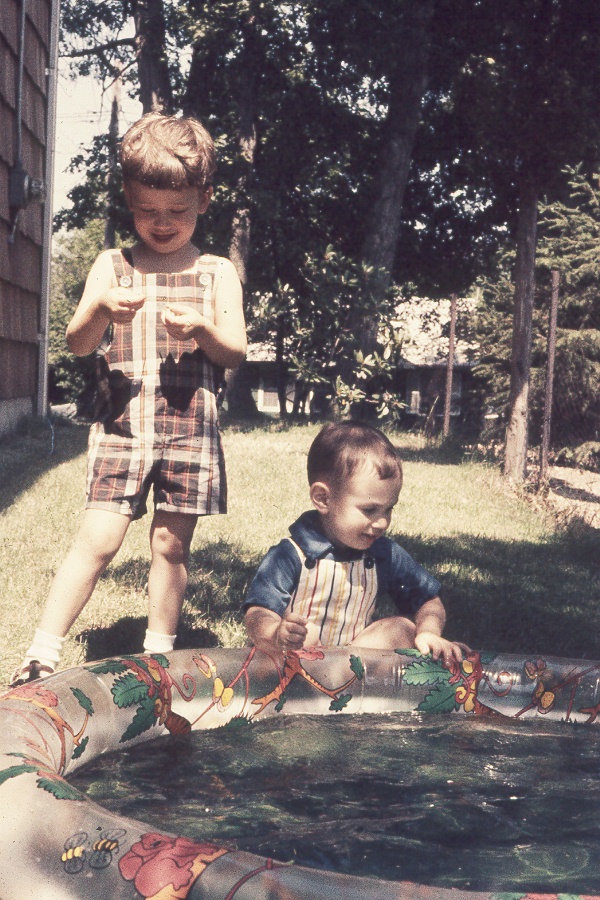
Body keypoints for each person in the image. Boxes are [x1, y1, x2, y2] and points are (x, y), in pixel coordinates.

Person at [11, 113, 246, 686]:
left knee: (170, 544)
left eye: (177, 211)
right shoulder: (113, 266)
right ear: (128, 199)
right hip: (122, 427)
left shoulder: (216, 273)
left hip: (190, 430)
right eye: (147, 210)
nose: (161, 223)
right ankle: (42, 651)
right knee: (98, 539)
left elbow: (235, 351)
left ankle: (158, 655)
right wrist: (99, 309)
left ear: (204, 200)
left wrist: (203, 330)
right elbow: (77, 342)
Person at [243, 422, 466, 665]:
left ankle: (345, 680)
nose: (382, 522)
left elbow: (428, 600)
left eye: (388, 509)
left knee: (402, 628)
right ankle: (326, 679)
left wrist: (429, 632)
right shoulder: (291, 554)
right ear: (323, 498)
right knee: (308, 635)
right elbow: (258, 613)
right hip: (294, 665)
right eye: (369, 509)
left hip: (352, 662)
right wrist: (276, 634)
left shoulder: (383, 553)